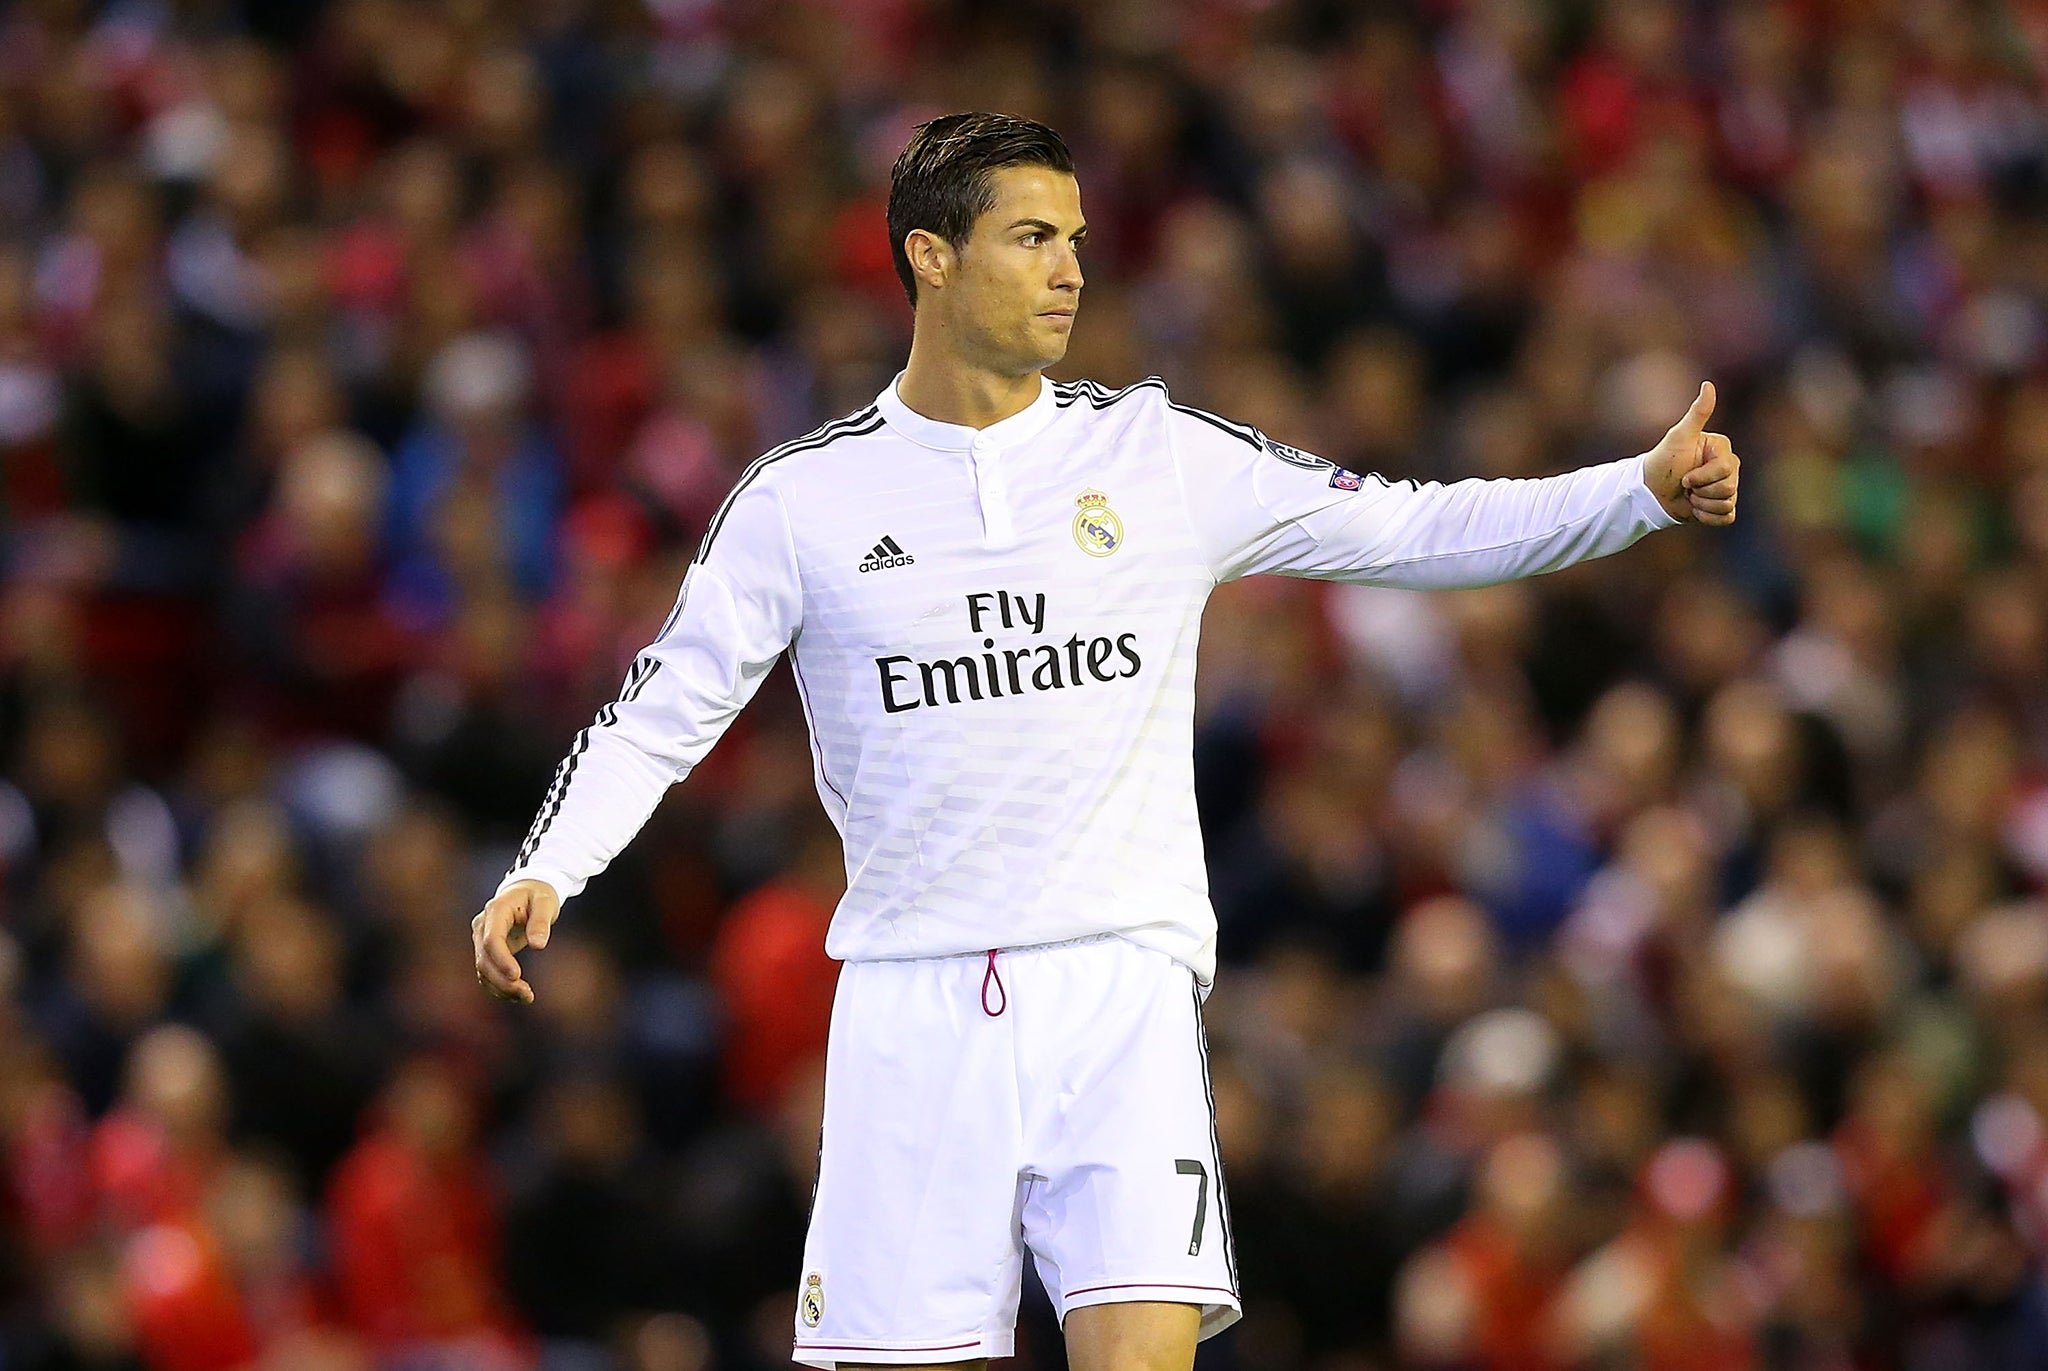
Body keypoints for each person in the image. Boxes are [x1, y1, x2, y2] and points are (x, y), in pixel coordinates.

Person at [471, 112, 1741, 1371]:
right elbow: (660, 708)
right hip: (913, 1005)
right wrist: (550, 864)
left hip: (1120, 990)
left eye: (1075, 238)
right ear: (929, 255)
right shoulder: (803, 501)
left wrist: (1632, 492)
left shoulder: (1153, 456)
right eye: (1031, 237)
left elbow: (1409, 528)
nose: (1070, 267)